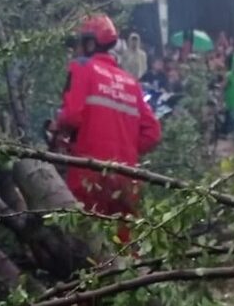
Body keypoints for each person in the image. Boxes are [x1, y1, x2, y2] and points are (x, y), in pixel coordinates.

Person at [56, 14, 161, 220]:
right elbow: (153, 133)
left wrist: (58, 126)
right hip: (127, 176)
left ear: (89, 44)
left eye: (76, 44)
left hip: (89, 172)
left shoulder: (82, 68)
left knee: (87, 239)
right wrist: (126, 148)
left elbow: (71, 118)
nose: (74, 51)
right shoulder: (130, 82)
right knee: (124, 242)